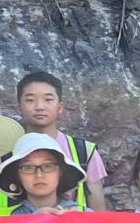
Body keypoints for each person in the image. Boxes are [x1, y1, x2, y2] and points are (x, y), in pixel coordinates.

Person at [16, 71, 110, 209]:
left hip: (73, 222)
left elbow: (98, 214)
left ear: (60, 107)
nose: (39, 107)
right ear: (19, 108)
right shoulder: (6, 154)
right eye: (30, 100)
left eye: (48, 99)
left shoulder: (84, 152)